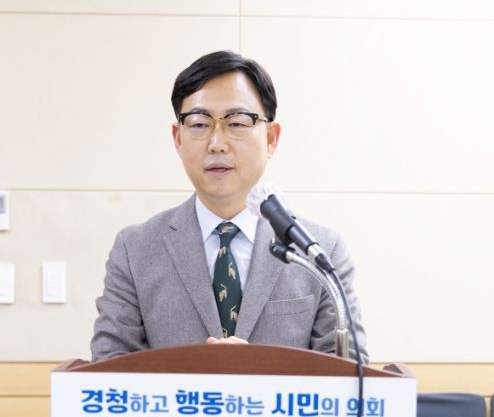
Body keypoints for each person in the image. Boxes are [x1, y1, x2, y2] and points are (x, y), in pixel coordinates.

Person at [90, 50, 368, 362]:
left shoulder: (320, 253)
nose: (217, 144)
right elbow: (109, 363)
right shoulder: (135, 250)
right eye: (199, 124)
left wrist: (256, 375)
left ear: (271, 138)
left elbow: (348, 371)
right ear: (178, 138)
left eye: (236, 123)